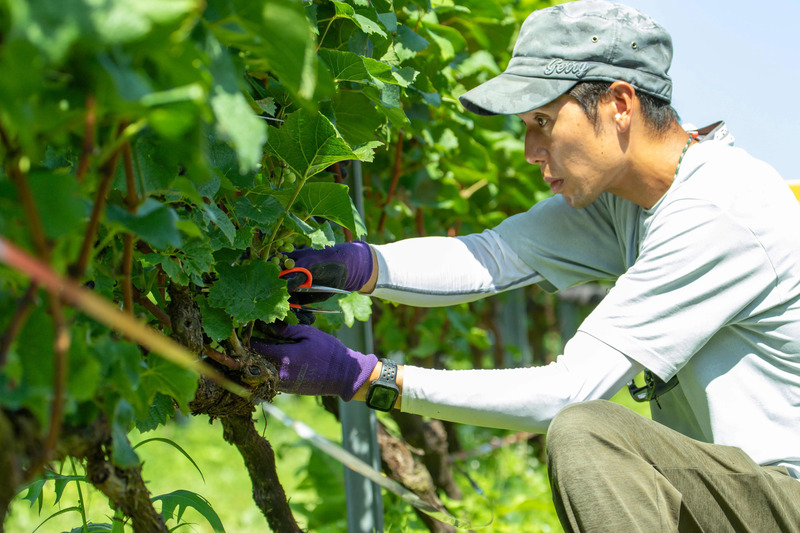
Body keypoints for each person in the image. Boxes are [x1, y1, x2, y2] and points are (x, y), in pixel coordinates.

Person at [252, 1, 800, 530]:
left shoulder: (716, 211)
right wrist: (353, 265)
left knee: (589, 434)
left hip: (784, 498)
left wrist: (371, 380)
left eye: (543, 120)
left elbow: (568, 391)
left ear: (620, 105)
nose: (529, 149)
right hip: (727, 489)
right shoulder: (627, 199)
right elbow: (492, 255)